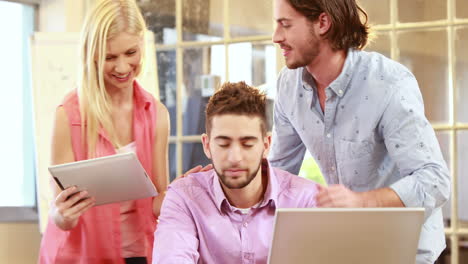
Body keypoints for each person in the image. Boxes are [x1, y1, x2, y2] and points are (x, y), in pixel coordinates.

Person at [269, 0, 450, 263]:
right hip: (350, 244)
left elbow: (435, 181)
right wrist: (224, 177)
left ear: (322, 23)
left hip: (407, 250)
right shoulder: (288, 85)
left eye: (285, 25)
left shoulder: (389, 84)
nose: (276, 37)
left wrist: (361, 202)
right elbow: (279, 174)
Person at [38, 0, 169, 263]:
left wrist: (187, 190)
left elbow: (158, 201)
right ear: (92, 54)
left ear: (142, 44)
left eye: (130, 52)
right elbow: (59, 213)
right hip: (82, 255)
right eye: (110, 57)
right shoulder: (69, 115)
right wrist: (63, 214)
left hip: (139, 254)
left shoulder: (156, 113)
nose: (122, 68)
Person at [152, 81, 318, 264]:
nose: (235, 158)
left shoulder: (306, 199)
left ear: (266, 145)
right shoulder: (184, 198)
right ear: (207, 145)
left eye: (247, 144)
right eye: (223, 144)